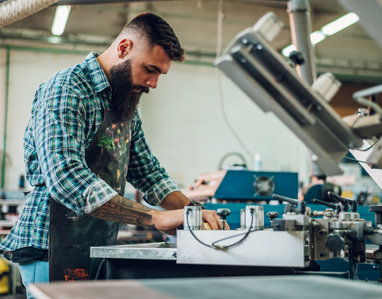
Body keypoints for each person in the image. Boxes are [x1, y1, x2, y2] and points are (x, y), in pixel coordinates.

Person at [0, 12, 224, 298]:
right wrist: (155, 218)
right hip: (51, 243)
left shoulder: (123, 102)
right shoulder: (67, 88)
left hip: (96, 241)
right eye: (150, 69)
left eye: (159, 74)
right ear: (123, 49)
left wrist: (193, 211)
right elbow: (67, 178)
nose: (153, 83)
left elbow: (147, 171)